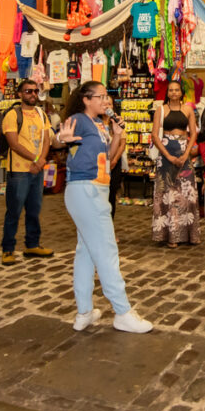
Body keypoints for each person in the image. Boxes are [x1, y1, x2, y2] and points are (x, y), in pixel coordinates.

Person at [55, 82, 153, 333]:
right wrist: (59, 139)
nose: (106, 101)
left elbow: (109, 158)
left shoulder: (100, 124)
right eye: (101, 97)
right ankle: (122, 312)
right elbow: (58, 139)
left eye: (106, 97)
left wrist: (118, 134)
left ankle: (84, 311)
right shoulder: (78, 119)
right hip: (85, 190)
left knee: (86, 252)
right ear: (86, 99)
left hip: (97, 188)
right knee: (107, 251)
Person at [1, 79, 54, 265]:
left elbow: (47, 139)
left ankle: (32, 244)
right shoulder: (12, 115)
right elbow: (13, 144)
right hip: (19, 171)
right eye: (28, 91)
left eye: (34, 91)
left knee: (34, 210)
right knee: (13, 211)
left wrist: (41, 161)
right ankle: (8, 248)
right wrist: (35, 159)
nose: (32, 94)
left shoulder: (41, 114)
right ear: (20, 94)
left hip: (37, 170)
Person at [152, 80, 201, 247]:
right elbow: (154, 136)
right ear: (167, 93)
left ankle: (188, 235)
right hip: (165, 154)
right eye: (171, 90)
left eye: (176, 90)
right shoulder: (161, 109)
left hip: (183, 152)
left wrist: (186, 153)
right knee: (167, 194)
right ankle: (170, 236)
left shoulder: (188, 110)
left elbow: (193, 133)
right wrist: (168, 156)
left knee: (186, 195)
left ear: (181, 92)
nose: (173, 92)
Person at [102, 95, 126, 218]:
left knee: (111, 195)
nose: (107, 106)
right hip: (101, 164)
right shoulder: (96, 122)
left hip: (114, 163)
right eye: (105, 103)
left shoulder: (116, 121)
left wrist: (114, 160)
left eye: (110, 104)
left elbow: (122, 144)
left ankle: (110, 226)